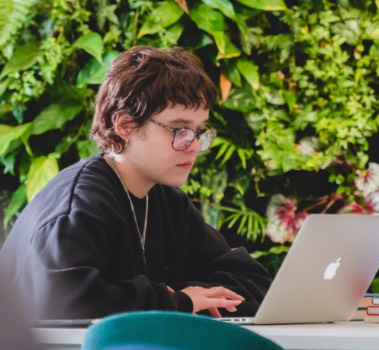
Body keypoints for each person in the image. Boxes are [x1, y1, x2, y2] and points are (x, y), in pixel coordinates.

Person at [0, 46, 271, 320]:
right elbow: (64, 304)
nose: (194, 146)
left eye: (199, 131)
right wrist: (175, 300)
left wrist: (180, 298)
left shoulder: (166, 198)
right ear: (125, 125)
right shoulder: (80, 206)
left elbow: (252, 282)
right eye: (179, 130)